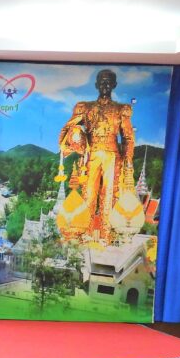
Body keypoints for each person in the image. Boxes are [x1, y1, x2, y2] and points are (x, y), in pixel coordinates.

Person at [58, 69, 135, 241]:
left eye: (108, 82)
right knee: (89, 193)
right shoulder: (85, 108)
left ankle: (107, 235)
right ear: (96, 85)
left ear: (114, 85)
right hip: (91, 154)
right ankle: (85, 232)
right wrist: (69, 143)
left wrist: (128, 160)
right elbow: (69, 127)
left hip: (112, 155)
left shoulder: (120, 109)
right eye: (102, 82)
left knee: (109, 194)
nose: (105, 85)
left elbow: (128, 137)